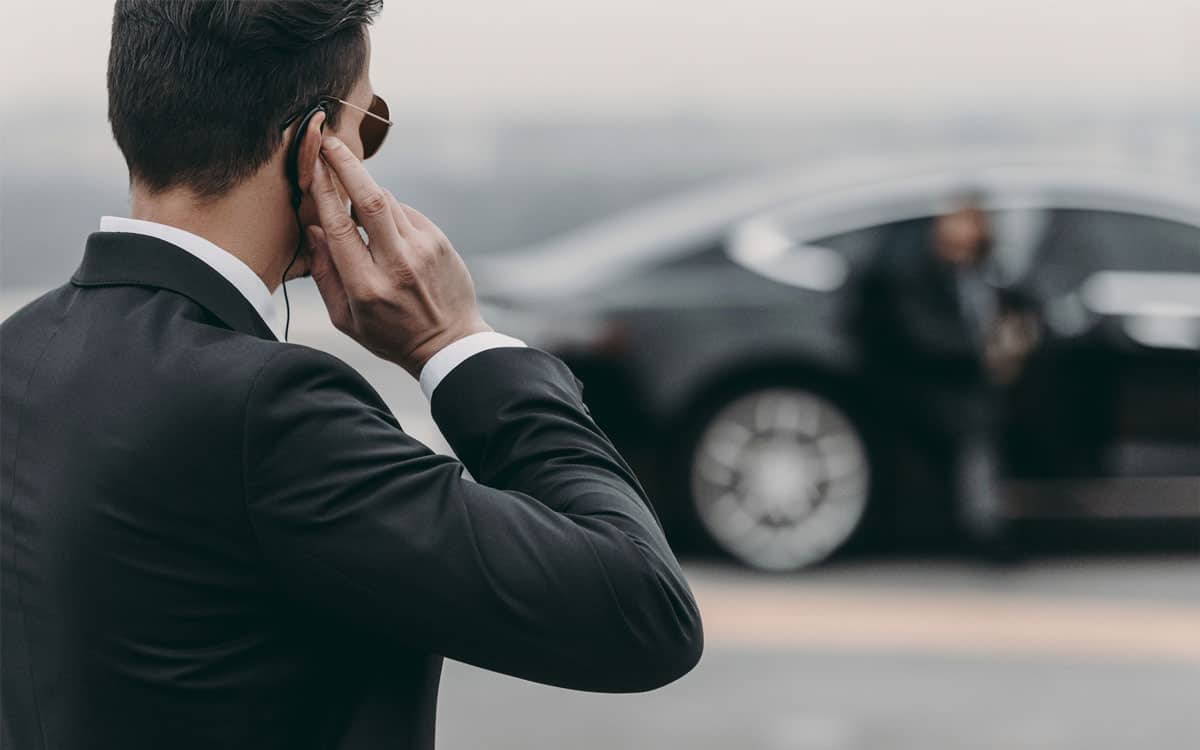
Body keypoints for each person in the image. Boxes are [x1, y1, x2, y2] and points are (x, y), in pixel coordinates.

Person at [0, 3, 702, 749]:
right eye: (369, 126)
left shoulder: (20, 352)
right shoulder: (266, 411)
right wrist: (454, 341)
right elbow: (641, 611)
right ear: (316, 145)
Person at [853, 194, 1021, 554]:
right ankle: (983, 525)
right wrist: (985, 354)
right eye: (957, 221)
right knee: (976, 424)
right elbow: (921, 336)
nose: (965, 231)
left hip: (976, 382)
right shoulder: (913, 271)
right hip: (927, 384)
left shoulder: (986, 273)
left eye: (972, 222)